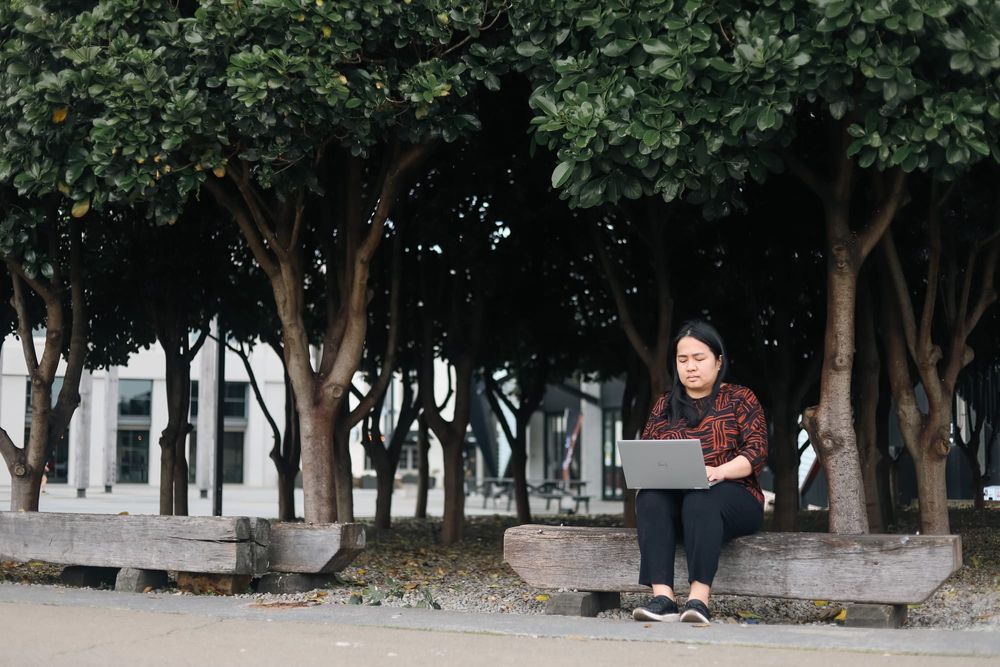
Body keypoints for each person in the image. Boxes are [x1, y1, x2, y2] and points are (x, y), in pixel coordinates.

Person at [631, 319, 767, 625]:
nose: (690, 366)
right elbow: (650, 454)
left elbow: (755, 453)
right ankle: (663, 598)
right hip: (677, 501)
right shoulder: (665, 405)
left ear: (718, 362)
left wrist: (718, 471)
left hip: (735, 499)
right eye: (682, 360)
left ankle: (698, 600)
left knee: (700, 496)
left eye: (699, 358)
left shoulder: (740, 399)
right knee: (649, 497)